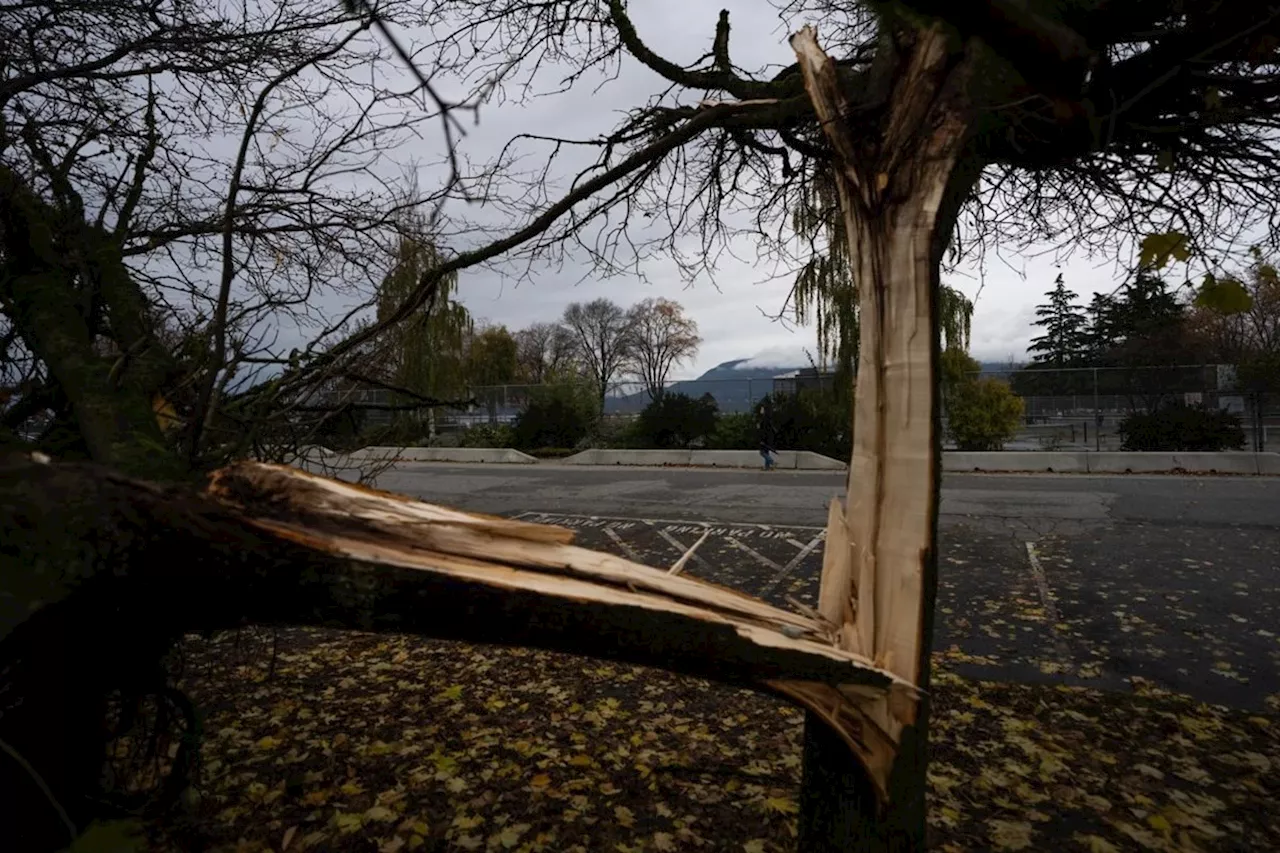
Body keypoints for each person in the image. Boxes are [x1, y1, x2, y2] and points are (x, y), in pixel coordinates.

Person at [757, 400, 777, 471]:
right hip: (769, 438)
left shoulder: (764, 419)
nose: (761, 410)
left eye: (762, 409)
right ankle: (767, 467)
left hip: (765, 439)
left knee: (762, 452)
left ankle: (772, 462)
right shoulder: (768, 418)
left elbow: (763, 431)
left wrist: (762, 440)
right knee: (766, 452)